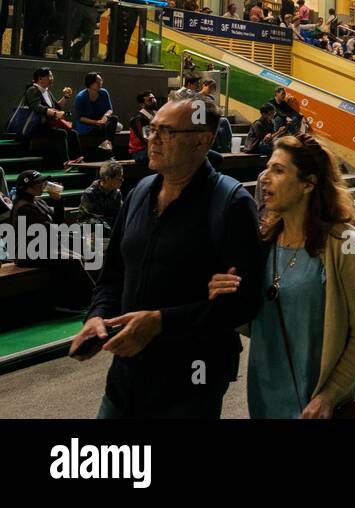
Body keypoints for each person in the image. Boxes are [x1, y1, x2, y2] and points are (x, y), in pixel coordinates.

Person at [69, 94, 263, 418]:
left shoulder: (231, 205)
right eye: (152, 129)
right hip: (125, 382)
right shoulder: (138, 193)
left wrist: (160, 323)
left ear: (201, 141)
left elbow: (242, 304)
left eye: (167, 132)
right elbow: (113, 276)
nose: (153, 139)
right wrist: (97, 316)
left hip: (188, 389)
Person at [204, 136, 355, 418]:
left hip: (319, 408)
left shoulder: (342, 243)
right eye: (268, 168)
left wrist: (328, 396)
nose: (265, 178)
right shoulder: (263, 243)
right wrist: (226, 298)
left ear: (308, 183)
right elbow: (257, 325)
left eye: (279, 170)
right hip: (266, 402)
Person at [9, 170, 94, 310]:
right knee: (72, 260)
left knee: (81, 250)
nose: (44, 185)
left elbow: (58, 223)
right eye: (39, 183)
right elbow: (51, 230)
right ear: (28, 187)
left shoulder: (37, 201)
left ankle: (83, 299)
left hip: (45, 247)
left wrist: (58, 201)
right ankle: (71, 302)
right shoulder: (24, 207)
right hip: (28, 253)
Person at [21, 66, 80, 163]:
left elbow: (57, 106)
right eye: (49, 77)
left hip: (48, 125)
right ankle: (66, 162)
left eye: (52, 76)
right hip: (36, 126)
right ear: (40, 78)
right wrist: (55, 113)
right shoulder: (32, 90)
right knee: (62, 133)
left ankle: (77, 159)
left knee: (73, 133)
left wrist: (65, 97)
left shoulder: (47, 91)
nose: (52, 79)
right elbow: (37, 107)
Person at [73, 72, 121, 154]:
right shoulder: (81, 97)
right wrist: (96, 122)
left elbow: (110, 109)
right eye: (97, 81)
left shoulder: (104, 92)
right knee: (111, 128)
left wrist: (105, 117)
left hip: (102, 121)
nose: (100, 83)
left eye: (101, 80)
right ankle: (107, 144)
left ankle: (107, 143)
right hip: (88, 124)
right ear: (90, 83)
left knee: (114, 119)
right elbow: (80, 117)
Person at [80, 159, 126, 231]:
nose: (122, 181)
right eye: (118, 178)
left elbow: (120, 213)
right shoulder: (89, 193)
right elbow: (92, 217)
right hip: (91, 227)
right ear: (108, 178)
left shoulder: (116, 193)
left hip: (108, 224)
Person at [127, 91, 157, 165]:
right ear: (142, 105)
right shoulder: (139, 118)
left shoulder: (156, 113)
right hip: (140, 152)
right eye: (150, 100)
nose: (154, 101)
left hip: (152, 147)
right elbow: (146, 139)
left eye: (154, 98)